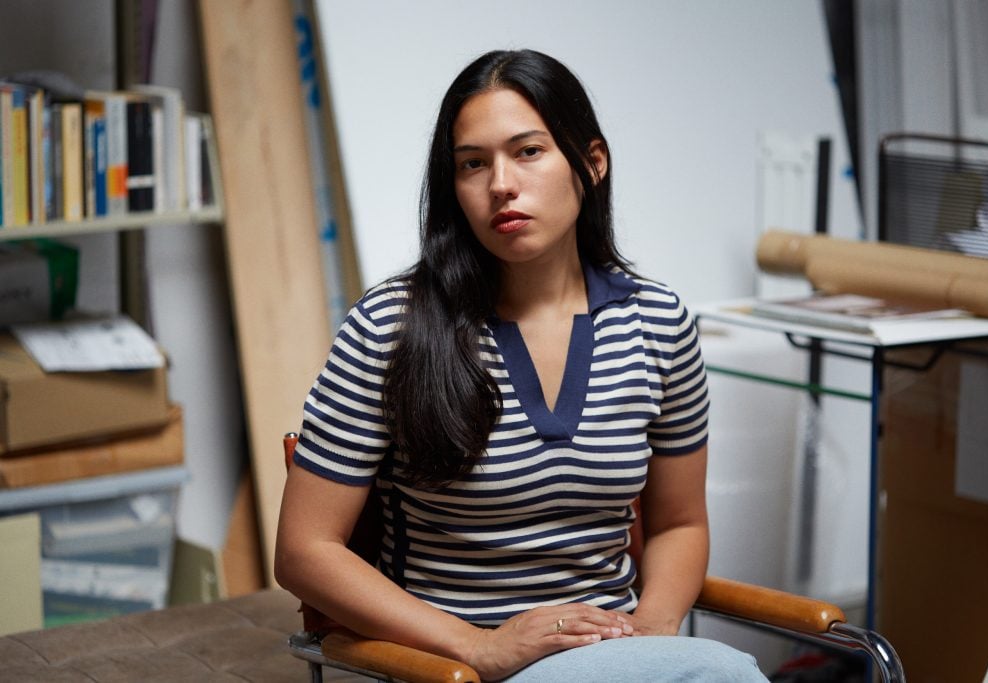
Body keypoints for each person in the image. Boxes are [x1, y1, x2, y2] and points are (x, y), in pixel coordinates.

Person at [275, 48, 767, 682]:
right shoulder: (390, 327)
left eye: (527, 152)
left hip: (614, 658)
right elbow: (304, 552)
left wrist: (650, 634)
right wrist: (476, 645)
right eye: (473, 164)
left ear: (591, 164)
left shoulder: (659, 322)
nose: (500, 184)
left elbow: (679, 522)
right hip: (454, 668)